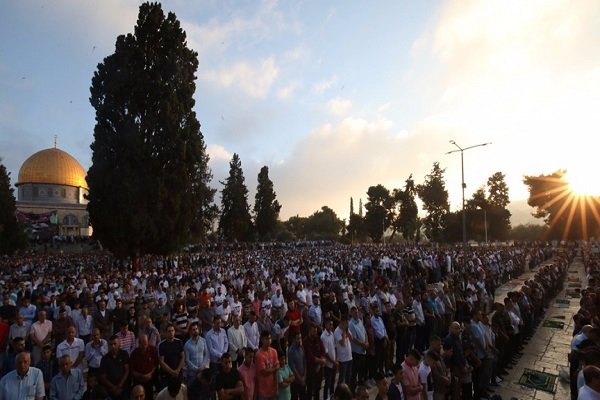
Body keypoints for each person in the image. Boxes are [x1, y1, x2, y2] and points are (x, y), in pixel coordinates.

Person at [100, 335, 130, 400]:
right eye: (111, 344)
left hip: (123, 389)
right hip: (111, 391)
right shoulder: (105, 359)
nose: (113, 346)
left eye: (115, 344)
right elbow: (103, 377)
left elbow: (127, 370)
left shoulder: (124, 354)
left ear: (119, 344)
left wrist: (119, 386)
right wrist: (113, 387)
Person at [130, 334, 158, 400]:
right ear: (139, 343)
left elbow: (156, 364)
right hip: (138, 382)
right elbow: (132, 370)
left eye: (146, 343)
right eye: (143, 344)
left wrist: (150, 373)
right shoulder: (134, 354)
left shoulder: (153, 350)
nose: (145, 346)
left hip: (149, 381)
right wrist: (142, 376)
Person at [158, 324, 185, 391]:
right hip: (166, 375)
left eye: (172, 331)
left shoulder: (179, 342)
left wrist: (177, 370)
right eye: (169, 331)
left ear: (174, 332)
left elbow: (183, 356)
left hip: (178, 373)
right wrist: (172, 372)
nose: (171, 333)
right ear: (166, 333)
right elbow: (161, 361)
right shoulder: (162, 345)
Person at [255, 330, 279, 400]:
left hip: (272, 389)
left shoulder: (274, 351)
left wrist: (276, 387)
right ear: (262, 340)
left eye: (270, 338)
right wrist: (275, 368)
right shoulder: (259, 354)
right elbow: (264, 372)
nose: (269, 340)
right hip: (263, 391)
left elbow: (276, 372)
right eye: (267, 339)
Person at [287, 331, 306, 400]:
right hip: (295, 381)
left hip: (303, 378)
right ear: (294, 339)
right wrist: (300, 379)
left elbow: (304, 362)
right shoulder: (291, 351)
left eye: (300, 338)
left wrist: (304, 376)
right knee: (294, 397)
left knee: (303, 396)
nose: (300, 340)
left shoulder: (301, 347)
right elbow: (293, 368)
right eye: (298, 338)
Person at [334, 316, 353, 386]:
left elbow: (351, 338)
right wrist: (344, 331)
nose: (347, 324)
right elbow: (343, 343)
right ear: (342, 322)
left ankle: (347, 392)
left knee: (348, 377)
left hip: (349, 357)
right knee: (342, 378)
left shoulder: (347, 329)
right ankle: (339, 394)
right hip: (342, 359)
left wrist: (346, 330)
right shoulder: (337, 331)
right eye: (346, 323)